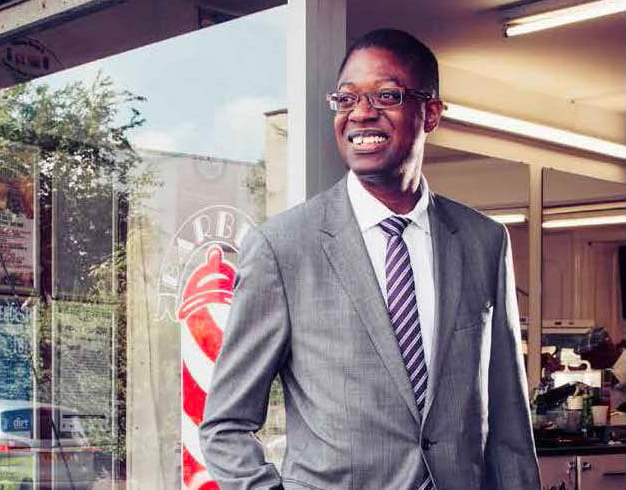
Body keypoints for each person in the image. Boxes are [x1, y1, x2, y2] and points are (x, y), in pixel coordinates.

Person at [199, 29, 541, 490]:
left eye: (386, 95)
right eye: (346, 99)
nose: (361, 113)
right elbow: (225, 427)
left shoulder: (484, 241)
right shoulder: (283, 248)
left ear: (432, 112)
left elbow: (509, 427)